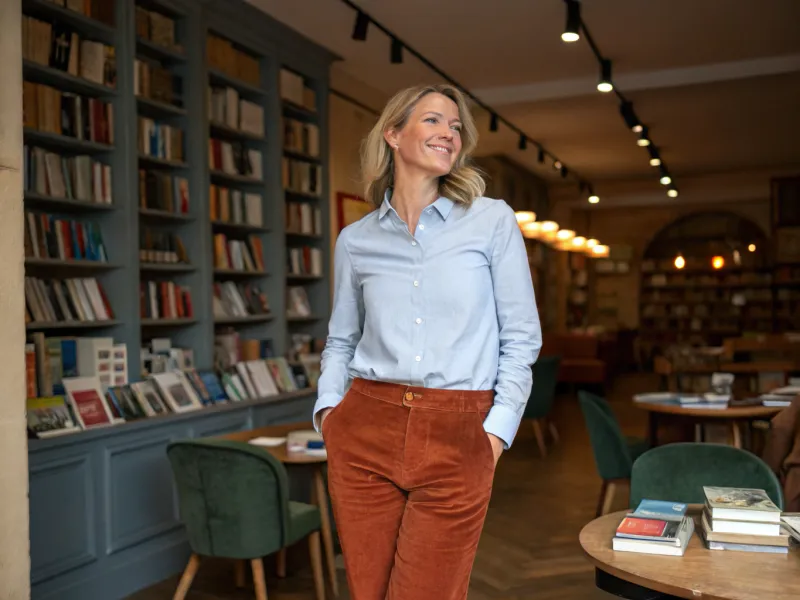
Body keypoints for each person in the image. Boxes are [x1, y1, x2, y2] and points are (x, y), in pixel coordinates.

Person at [313, 83, 542, 600]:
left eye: (456, 126)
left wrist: (496, 434)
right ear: (393, 133)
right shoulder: (357, 240)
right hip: (365, 427)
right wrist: (331, 413)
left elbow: (522, 337)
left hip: (460, 430)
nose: (449, 134)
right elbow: (341, 339)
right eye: (434, 120)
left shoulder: (492, 221)